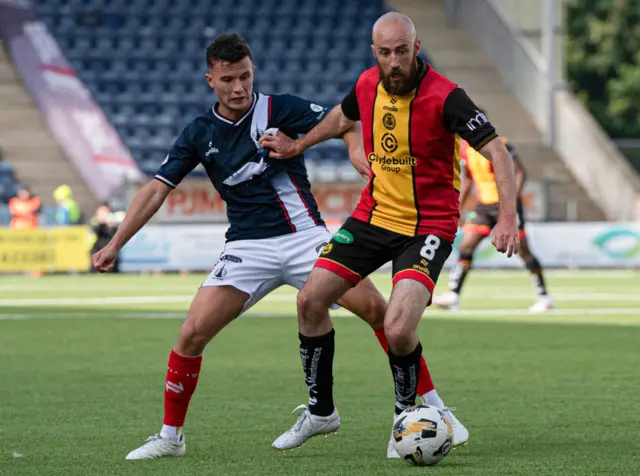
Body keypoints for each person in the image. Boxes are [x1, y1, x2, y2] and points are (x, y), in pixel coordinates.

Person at [91, 32, 460, 460]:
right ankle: (170, 437)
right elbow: (156, 190)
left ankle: (435, 409)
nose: (239, 87)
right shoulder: (199, 133)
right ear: (210, 79)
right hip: (248, 247)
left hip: (306, 238)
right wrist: (116, 242)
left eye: (245, 76)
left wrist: (357, 151)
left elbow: (346, 119)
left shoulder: (279, 109)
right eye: (228, 79)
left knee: (381, 313)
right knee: (191, 334)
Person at [261, 12, 520, 452]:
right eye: (386, 53)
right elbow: (341, 117)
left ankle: (405, 416)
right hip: (373, 215)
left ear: (417, 49)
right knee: (310, 299)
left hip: (428, 226)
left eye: (403, 51)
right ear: (375, 54)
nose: (395, 62)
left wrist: (508, 216)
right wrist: (297, 145)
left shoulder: (446, 97)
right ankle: (321, 413)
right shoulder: (366, 84)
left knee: (399, 329)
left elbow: (498, 150)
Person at [433, 135, 554, 312]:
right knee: (466, 245)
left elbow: (519, 172)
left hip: (505, 203)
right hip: (484, 205)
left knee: (523, 250)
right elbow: (468, 179)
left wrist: (512, 201)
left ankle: (544, 297)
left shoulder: (500, 144)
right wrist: (458, 207)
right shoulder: (465, 150)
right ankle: (454, 295)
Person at [90, 203, 120, 273]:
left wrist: (111, 226)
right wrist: (101, 222)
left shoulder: (112, 223)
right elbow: (95, 231)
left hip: (109, 247)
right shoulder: (95, 221)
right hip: (97, 247)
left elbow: (114, 234)